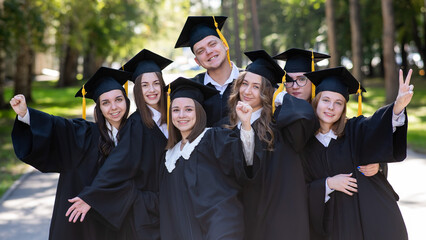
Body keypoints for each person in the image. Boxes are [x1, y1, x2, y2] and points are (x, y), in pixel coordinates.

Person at [10, 67, 132, 240]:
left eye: (118, 100)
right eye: (105, 102)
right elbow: (57, 127)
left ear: (127, 101)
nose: (114, 107)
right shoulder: (84, 134)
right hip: (84, 224)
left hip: (122, 221)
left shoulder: (135, 135)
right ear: (98, 108)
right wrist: (26, 114)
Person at [67, 49, 172, 239]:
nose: (152, 90)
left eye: (156, 83)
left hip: (175, 203)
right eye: (145, 85)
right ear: (137, 90)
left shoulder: (175, 117)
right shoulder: (136, 124)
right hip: (149, 213)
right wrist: (92, 195)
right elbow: (118, 164)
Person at [302, 66, 411, 240]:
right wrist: (328, 184)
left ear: (344, 107)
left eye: (338, 103)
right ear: (316, 101)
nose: (331, 107)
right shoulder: (304, 141)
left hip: (363, 224)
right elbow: (298, 189)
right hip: (327, 228)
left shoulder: (354, 129)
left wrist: (398, 106)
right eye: (326, 100)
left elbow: (377, 126)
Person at [224, 50, 318, 240]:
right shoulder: (226, 126)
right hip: (243, 217)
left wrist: (281, 97)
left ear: (266, 91)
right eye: (245, 84)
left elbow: (307, 115)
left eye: (256, 86)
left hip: (278, 220)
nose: (248, 91)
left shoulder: (279, 126)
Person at [159, 77, 253, 240]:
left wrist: (245, 125)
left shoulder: (214, 138)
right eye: (175, 110)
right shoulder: (169, 157)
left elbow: (245, 162)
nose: (181, 115)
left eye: (188, 109)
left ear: (199, 112)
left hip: (221, 233)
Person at [274, 48, 382, 177]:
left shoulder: (329, 117)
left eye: (302, 79)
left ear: (313, 82)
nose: (294, 86)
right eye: (289, 80)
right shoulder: (275, 115)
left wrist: (377, 164)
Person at [175, 16, 240, 126]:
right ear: (197, 61)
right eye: (201, 51)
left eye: (212, 44)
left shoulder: (249, 81)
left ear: (225, 45)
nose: (209, 51)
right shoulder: (191, 89)